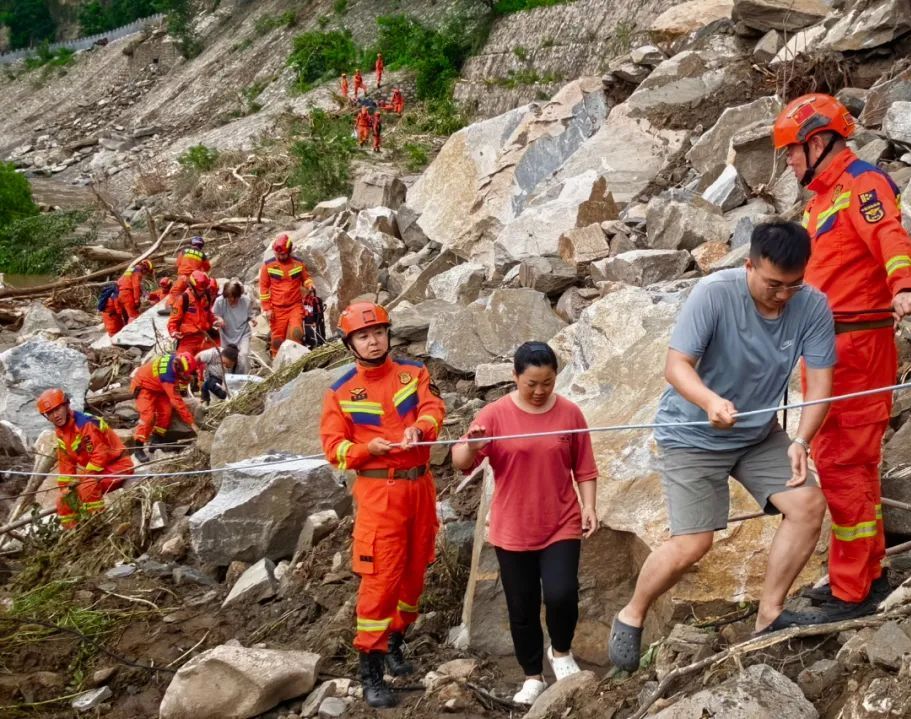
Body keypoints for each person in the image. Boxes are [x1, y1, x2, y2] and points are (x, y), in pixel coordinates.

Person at [607, 222, 837, 671]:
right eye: (773, 284)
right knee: (693, 544)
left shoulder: (812, 306)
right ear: (749, 265)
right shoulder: (713, 294)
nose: (783, 295)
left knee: (808, 504)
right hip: (692, 435)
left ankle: (768, 614)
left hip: (757, 434)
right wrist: (710, 400)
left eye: (794, 285)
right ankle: (632, 612)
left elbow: (822, 385)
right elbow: (676, 366)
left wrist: (802, 441)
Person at [773, 94, 911, 621]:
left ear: (817, 142)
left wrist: (904, 283)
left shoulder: (863, 184)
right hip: (828, 347)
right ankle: (866, 570)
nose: (789, 161)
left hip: (858, 345)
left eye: (791, 151)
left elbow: (890, 235)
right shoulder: (821, 199)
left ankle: (852, 592)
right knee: (844, 461)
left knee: (843, 463)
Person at [452, 342, 598, 706]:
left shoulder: (570, 414)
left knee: (562, 593)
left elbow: (585, 467)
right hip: (512, 527)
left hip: (561, 520)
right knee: (522, 605)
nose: (538, 391)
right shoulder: (495, 415)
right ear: (515, 377)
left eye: (547, 382)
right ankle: (531, 674)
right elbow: (460, 461)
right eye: (530, 383)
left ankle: (561, 652)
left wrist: (590, 506)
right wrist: (473, 445)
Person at [320, 302, 445, 709]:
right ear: (350, 343)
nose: (373, 341)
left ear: (388, 334)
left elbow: (433, 408)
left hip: (420, 489)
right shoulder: (340, 392)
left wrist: (420, 428)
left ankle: (395, 640)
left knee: (413, 574)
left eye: (378, 333)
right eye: (363, 336)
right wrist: (364, 449)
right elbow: (332, 448)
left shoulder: (413, 372)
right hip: (379, 496)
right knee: (380, 580)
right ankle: (370, 667)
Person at [37, 389, 132, 529]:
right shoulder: (62, 432)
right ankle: (73, 534)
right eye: (50, 413)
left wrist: (84, 478)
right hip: (99, 471)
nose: (55, 415)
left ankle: (96, 527)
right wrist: (65, 488)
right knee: (63, 500)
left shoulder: (85, 424)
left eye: (57, 409)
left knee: (87, 487)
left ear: (66, 405)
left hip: (118, 465)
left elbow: (100, 455)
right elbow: (66, 463)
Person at [129, 352, 199, 462]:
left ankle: (156, 439)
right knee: (148, 416)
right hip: (143, 386)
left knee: (166, 413)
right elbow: (178, 402)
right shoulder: (168, 376)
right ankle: (138, 447)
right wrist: (192, 423)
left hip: (158, 387)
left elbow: (179, 379)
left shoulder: (175, 360)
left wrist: (186, 379)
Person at [259, 234, 314, 358]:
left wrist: (309, 285)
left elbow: (306, 278)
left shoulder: (298, 264)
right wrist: (267, 308)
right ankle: (276, 361)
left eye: (283, 254)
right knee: (277, 340)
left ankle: (296, 360)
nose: (280, 257)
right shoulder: (268, 266)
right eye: (277, 254)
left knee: (296, 332)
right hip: (277, 309)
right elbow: (263, 288)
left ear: (289, 251)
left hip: (295, 306)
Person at [169, 269, 217, 357]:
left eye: (203, 290)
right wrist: (174, 332)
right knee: (183, 363)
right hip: (187, 340)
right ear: (191, 287)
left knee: (216, 359)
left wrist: (214, 321)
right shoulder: (183, 299)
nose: (202, 292)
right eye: (200, 290)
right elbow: (173, 321)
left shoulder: (206, 297)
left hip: (204, 337)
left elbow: (208, 313)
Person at [212, 279, 256, 373]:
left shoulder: (246, 301)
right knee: (227, 358)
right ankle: (229, 378)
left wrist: (253, 319)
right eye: (229, 297)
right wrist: (219, 320)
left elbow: (250, 314)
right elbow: (213, 315)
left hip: (243, 332)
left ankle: (242, 378)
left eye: (234, 298)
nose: (231, 300)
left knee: (243, 355)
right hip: (227, 333)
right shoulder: (219, 302)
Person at [171, 236, 211, 306]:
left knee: (174, 293)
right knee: (195, 297)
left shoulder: (184, 251)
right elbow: (207, 268)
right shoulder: (202, 255)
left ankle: (174, 308)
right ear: (201, 246)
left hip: (182, 277)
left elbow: (177, 264)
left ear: (192, 243)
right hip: (194, 280)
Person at [117, 259, 153, 324]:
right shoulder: (137, 271)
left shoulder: (131, 269)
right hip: (127, 294)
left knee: (126, 317)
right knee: (134, 317)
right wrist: (137, 300)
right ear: (145, 268)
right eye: (146, 272)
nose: (145, 274)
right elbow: (136, 285)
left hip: (120, 293)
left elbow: (120, 281)